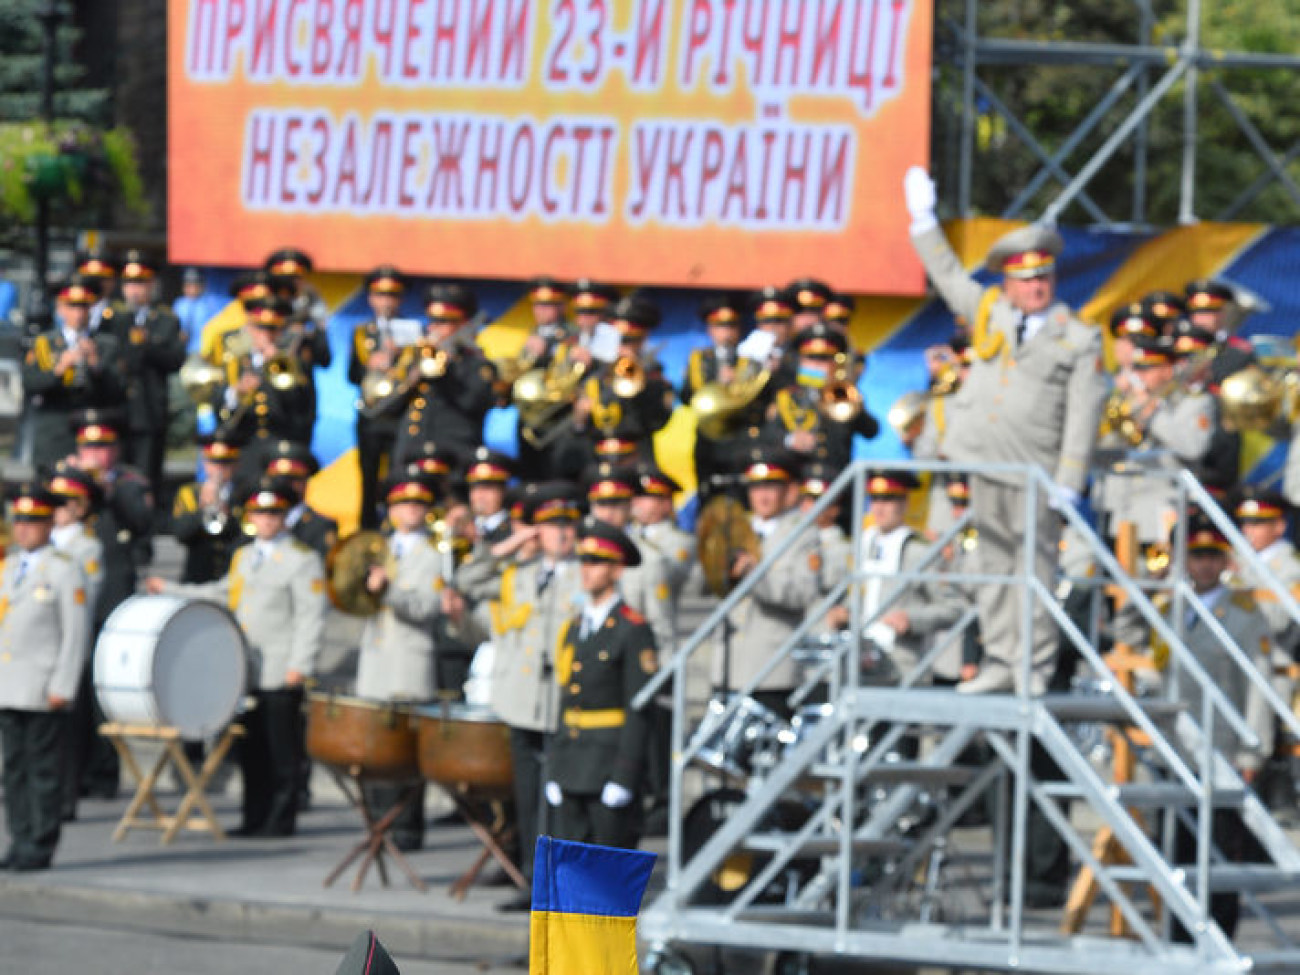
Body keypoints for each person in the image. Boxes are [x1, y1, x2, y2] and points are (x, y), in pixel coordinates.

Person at [904, 165, 1107, 695]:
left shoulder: (1079, 337)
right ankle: (999, 661)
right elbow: (948, 276)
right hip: (983, 459)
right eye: (1025, 279)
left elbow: (1084, 412)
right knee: (992, 568)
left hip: (1036, 470)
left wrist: (1070, 478)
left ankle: (1032, 669)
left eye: (1043, 277)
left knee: (1034, 571)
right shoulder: (990, 312)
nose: (1036, 287)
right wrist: (922, 221)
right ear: (1007, 284)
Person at [146, 477, 326, 837]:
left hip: (279, 666)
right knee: (251, 748)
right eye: (260, 512)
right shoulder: (244, 556)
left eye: (274, 512)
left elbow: (311, 617)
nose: (266, 520)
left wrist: (299, 665)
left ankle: (281, 817)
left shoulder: (301, 560)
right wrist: (172, 590)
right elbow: (223, 593)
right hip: (246, 667)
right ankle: (253, 814)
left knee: (281, 749)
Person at [454, 482, 584, 907]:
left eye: (567, 526)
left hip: (564, 704)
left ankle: (561, 882)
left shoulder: (586, 573)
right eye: (549, 527)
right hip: (522, 702)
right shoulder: (520, 575)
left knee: (563, 800)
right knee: (529, 799)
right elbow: (467, 579)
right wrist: (509, 544)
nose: (559, 535)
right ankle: (532, 879)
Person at [1161, 515, 1274, 941]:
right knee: (1178, 850)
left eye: (1212, 556)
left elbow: (1259, 685)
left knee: (1221, 853)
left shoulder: (1243, 613)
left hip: (1222, 748)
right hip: (1178, 748)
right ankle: (1179, 939)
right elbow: (1129, 633)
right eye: (1196, 556)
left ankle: (1218, 940)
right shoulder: (1172, 606)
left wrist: (1252, 750)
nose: (1204, 566)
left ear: (1224, 560)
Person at [544, 519, 657, 850]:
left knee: (608, 879)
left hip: (607, 763)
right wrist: (555, 766)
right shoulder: (574, 627)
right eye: (584, 561)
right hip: (571, 763)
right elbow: (566, 701)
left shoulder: (632, 629)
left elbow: (639, 708)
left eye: (596, 562)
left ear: (617, 570)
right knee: (570, 878)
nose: (587, 570)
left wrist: (625, 775)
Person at [355, 470, 452, 852]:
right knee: (376, 749)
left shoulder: (433, 556)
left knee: (407, 753)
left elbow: (426, 607)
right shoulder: (376, 550)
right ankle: (378, 825)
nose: (409, 510)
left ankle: (407, 830)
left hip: (410, 661)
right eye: (402, 504)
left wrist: (389, 589)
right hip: (375, 658)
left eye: (417, 504)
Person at [62, 408, 153, 801]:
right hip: (70, 593)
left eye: (102, 447)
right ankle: (72, 771)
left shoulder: (130, 483)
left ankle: (103, 774)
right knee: (72, 688)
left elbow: (143, 522)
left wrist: (109, 489)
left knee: (101, 691)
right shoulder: (65, 480)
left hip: (111, 594)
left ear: (115, 450)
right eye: (88, 446)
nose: (95, 455)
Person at [0, 484, 88, 871]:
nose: (23, 529)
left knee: (43, 770)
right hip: (8, 683)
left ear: (50, 523)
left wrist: (63, 685)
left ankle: (41, 840)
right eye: (19, 520)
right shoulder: (8, 567)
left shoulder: (64, 569)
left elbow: (75, 633)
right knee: (14, 768)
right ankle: (18, 837)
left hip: (41, 685)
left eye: (33, 521)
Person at [720, 448, 820, 717]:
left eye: (771, 487)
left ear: (787, 491)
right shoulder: (736, 529)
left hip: (772, 669)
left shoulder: (803, 533)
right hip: (730, 665)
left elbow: (802, 593)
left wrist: (755, 575)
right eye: (756, 487)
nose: (762, 496)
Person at [1233, 489, 1300, 816]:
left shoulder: (1291, 565)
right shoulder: (1235, 558)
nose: (1248, 530)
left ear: (1279, 526)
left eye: (1258, 523)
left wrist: (1235, 590)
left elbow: (1275, 620)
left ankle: (1258, 781)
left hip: (1274, 663)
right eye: (1245, 523)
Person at [47, 467, 105, 822]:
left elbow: (86, 597)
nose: (56, 510)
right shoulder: (42, 544)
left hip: (67, 642)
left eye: (63, 503)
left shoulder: (87, 546)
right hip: (35, 648)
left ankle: (66, 797)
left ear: (80, 507)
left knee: (69, 731)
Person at [23, 280, 124, 471]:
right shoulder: (45, 343)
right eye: (72, 307)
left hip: (92, 436)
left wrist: (95, 364)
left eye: (84, 307)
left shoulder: (106, 343)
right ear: (60, 309)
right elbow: (29, 382)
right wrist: (59, 369)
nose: (78, 314)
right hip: (54, 435)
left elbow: (118, 391)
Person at [391, 283, 497, 463]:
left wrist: (447, 370)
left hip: (454, 455)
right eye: (432, 321)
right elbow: (392, 407)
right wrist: (412, 377)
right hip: (412, 450)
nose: (434, 328)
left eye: (443, 322)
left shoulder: (478, 365)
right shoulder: (418, 357)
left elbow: (473, 404)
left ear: (463, 325)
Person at [113, 250, 187, 503]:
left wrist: (147, 345)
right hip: (117, 408)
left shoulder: (165, 319)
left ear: (152, 285)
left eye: (140, 283)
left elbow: (176, 360)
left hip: (149, 408)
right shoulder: (112, 318)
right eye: (129, 283)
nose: (134, 290)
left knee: (146, 473)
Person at [349, 265, 409, 530]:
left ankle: (398, 528)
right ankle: (368, 530)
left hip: (401, 415)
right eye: (380, 296)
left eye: (392, 296)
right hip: (371, 416)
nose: (386, 302)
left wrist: (400, 359)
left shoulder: (411, 332)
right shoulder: (363, 333)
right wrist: (369, 365)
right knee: (369, 478)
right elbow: (350, 375)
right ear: (371, 299)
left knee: (399, 476)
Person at [171, 433, 245, 584]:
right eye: (214, 462)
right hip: (198, 576)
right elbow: (180, 534)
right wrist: (203, 509)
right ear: (205, 464)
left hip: (233, 575)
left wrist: (228, 516)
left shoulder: (245, 494)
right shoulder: (189, 493)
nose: (219, 468)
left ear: (236, 464)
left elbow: (248, 536)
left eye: (226, 462)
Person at [265, 440, 338, 560]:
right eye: (278, 480)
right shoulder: (259, 519)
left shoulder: (320, 526)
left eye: (292, 479)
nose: (285, 486)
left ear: (305, 482)